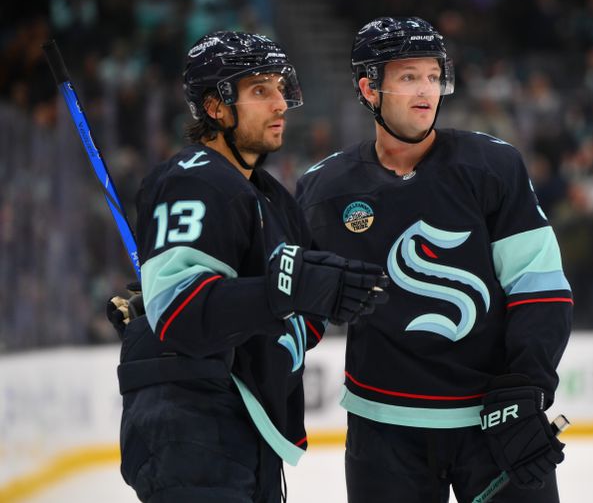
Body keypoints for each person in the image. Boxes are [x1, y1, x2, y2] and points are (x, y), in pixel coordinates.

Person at [296, 17, 572, 503]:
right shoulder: (324, 189)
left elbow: (540, 286)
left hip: (494, 420)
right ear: (369, 88)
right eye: (407, 77)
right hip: (384, 431)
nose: (426, 90)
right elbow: (298, 303)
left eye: (432, 75)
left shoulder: (492, 166)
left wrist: (528, 386)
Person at [107, 30, 388, 503]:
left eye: (281, 88)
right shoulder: (193, 180)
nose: (280, 103)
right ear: (216, 107)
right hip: (192, 425)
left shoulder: (272, 197)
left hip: (242, 423)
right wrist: (289, 288)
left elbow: (298, 310)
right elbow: (182, 314)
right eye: (260, 90)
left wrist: (313, 290)